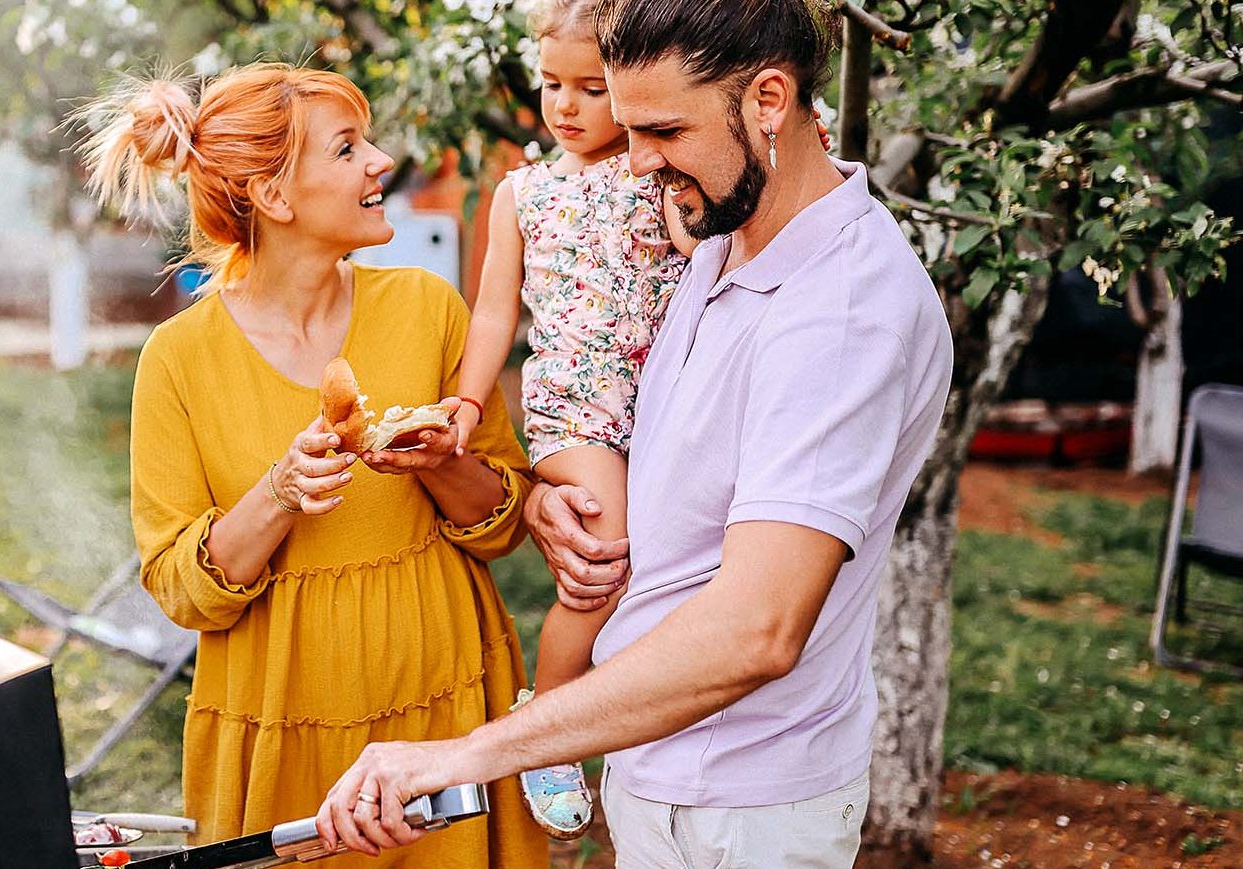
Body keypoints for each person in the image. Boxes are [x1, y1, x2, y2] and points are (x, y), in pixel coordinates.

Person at [312, 1, 954, 866]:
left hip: (741, 809)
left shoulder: (839, 313)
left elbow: (757, 629)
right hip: (660, 773)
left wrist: (467, 755)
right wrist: (547, 502)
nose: (638, 160)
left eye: (664, 130)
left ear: (769, 100)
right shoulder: (723, 234)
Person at [82, 63, 543, 866]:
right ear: (274, 195)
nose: (381, 162)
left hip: (445, 708)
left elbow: (503, 526)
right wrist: (279, 492)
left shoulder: (427, 309)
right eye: (347, 148)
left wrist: (440, 461)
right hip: (282, 731)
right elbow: (181, 589)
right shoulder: (179, 360)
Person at [445, 0, 692, 839]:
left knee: (666, 565)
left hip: (664, 403)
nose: (566, 105)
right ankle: (548, 722)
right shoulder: (523, 192)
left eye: (592, 88)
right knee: (603, 556)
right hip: (576, 410)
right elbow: (493, 312)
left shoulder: (661, 173)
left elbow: (702, 256)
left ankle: (638, 714)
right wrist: (469, 399)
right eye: (553, 84)